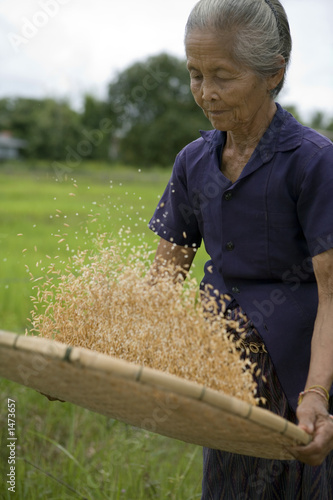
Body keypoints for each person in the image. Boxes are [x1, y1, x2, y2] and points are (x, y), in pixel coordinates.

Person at [148, 0, 333, 498]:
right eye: (194, 74)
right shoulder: (193, 162)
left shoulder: (313, 163)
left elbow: (331, 295)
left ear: (274, 72)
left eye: (223, 76)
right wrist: (88, 365)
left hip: (302, 373)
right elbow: (161, 285)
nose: (206, 94)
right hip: (223, 375)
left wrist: (316, 394)